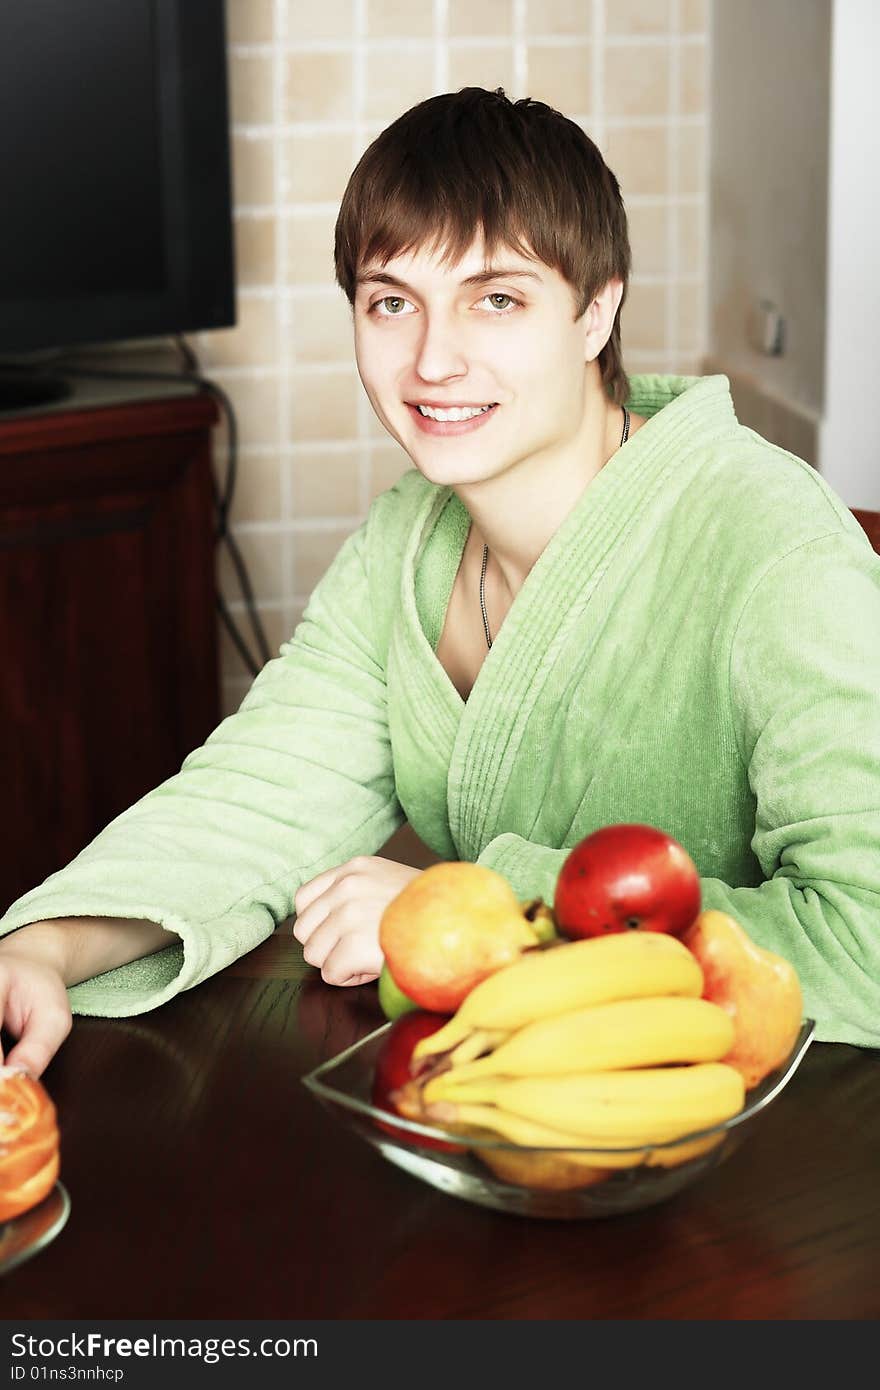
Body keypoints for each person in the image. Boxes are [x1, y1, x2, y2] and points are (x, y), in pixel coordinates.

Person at [1, 87, 879, 1080]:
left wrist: (479, 909)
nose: (431, 360)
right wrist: (44, 946)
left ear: (597, 310)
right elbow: (261, 794)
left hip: (778, 1145)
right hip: (508, 1110)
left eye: (495, 298)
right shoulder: (407, 539)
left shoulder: (770, 544)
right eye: (390, 302)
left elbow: (868, 939)